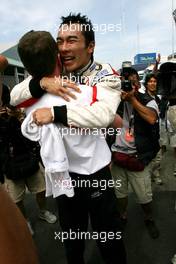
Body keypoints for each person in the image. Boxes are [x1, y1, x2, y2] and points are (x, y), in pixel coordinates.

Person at [10, 14, 126, 264]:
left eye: (72, 40)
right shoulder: (52, 69)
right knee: (72, 240)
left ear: (90, 46)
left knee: (109, 238)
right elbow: (15, 95)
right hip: (62, 175)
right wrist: (43, 82)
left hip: (96, 174)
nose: (64, 48)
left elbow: (104, 115)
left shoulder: (104, 73)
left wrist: (53, 113)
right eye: (59, 41)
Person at [0, 72, 57, 236]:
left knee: (41, 189)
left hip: (27, 156)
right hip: (7, 163)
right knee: (17, 199)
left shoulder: (15, 108)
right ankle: (24, 221)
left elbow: (30, 131)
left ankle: (43, 211)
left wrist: (19, 117)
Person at [111, 68, 160, 239]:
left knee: (144, 196)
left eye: (131, 82)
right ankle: (123, 216)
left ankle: (149, 218)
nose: (127, 85)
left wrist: (132, 99)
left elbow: (152, 119)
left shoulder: (148, 100)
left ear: (138, 83)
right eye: (124, 82)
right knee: (120, 194)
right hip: (117, 157)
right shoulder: (114, 101)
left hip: (137, 157)